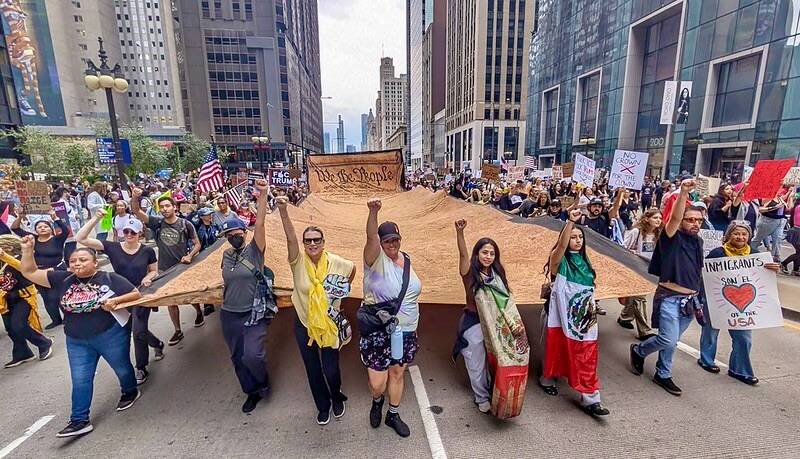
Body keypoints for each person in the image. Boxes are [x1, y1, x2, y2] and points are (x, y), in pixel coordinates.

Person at [19, 239, 142, 438]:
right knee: (80, 379)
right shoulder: (62, 279)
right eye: (73, 261)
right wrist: (27, 251)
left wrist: (115, 301)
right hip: (76, 340)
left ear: (95, 262)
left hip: (109, 334)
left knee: (122, 367)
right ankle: (79, 420)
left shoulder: (110, 278)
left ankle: (130, 391)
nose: (77, 263)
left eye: (83, 260)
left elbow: (135, 294)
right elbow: (29, 272)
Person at [277, 195, 356, 425]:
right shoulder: (297, 262)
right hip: (304, 323)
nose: (312, 244)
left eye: (316, 240)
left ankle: (336, 395)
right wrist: (283, 211)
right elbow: (290, 238)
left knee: (330, 368)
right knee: (313, 368)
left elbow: (351, 271)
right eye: (308, 241)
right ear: (303, 244)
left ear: (323, 242)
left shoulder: (336, 262)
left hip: (329, 323)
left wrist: (342, 289)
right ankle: (323, 406)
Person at [630, 179, 703, 396]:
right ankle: (639, 350)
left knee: (672, 342)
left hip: (690, 302)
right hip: (670, 298)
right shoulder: (671, 237)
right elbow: (675, 218)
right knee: (667, 339)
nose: (695, 224)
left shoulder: (698, 242)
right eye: (690, 220)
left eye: (698, 220)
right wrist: (683, 193)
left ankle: (663, 373)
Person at [76, 209, 164, 386]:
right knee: (134, 329)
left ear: (140, 233)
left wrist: (148, 277)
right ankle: (157, 343)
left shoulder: (147, 251)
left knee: (138, 330)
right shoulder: (112, 247)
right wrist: (96, 218)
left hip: (140, 294)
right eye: (126, 231)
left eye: (133, 232)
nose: (129, 234)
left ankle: (141, 367)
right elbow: (81, 238)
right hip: (121, 296)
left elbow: (154, 270)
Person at [360, 198, 422, 438]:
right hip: (378, 330)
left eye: (395, 239)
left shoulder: (407, 259)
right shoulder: (374, 260)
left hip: (405, 330)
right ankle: (377, 401)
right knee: (378, 383)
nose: (391, 244)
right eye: (387, 240)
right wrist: (373, 212)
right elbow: (370, 238)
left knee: (397, 373)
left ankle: (392, 414)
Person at [453, 219, 528, 413]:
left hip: (497, 325)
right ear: (477, 254)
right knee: (477, 364)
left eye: (492, 253)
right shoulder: (469, 273)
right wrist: (460, 233)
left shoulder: (498, 275)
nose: (488, 256)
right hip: (474, 325)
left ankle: (499, 392)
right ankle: (481, 397)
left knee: (499, 360)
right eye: (484, 252)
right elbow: (462, 253)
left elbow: (506, 303)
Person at [540, 208, 609, 416]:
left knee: (585, 354)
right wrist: (570, 222)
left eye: (580, 237)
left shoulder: (586, 263)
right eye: (573, 237)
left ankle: (591, 398)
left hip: (583, 320)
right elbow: (561, 246)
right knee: (553, 350)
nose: (577, 241)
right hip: (556, 317)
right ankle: (547, 378)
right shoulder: (558, 261)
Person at [697, 221, 779, 385]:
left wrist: (771, 269)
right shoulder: (717, 253)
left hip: (743, 304)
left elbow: (762, 280)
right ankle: (706, 360)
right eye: (736, 233)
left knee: (744, 338)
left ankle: (739, 370)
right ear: (728, 235)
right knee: (711, 332)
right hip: (716, 300)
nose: (740, 237)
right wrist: (700, 299)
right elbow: (704, 276)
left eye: (744, 234)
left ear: (749, 236)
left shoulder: (755, 255)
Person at [219, 179, 271, 413]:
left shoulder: (255, 250)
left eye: (236, 231)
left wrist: (263, 195)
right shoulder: (226, 255)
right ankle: (251, 391)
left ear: (244, 231)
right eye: (228, 234)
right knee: (238, 357)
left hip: (253, 313)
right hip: (229, 315)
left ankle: (262, 382)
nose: (233, 236)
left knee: (253, 355)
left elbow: (260, 223)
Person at [131, 187, 203, 346]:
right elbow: (136, 211)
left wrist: (190, 256)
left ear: (174, 207)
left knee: (189, 295)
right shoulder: (157, 223)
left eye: (167, 206)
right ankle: (178, 330)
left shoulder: (186, 224)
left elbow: (197, 244)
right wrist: (135, 197)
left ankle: (199, 312)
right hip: (165, 269)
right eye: (161, 207)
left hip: (183, 267)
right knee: (171, 300)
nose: (164, 209)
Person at [0, 235, 53, 368]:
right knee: (11, 329)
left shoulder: (20, 258)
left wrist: (5, 256)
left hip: (23, 297)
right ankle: (22, 353)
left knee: (19, 324)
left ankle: (44, 343)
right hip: (5, 299)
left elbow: (24, 268)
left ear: (8, 248)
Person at [11, 210, 69, 329]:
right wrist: (20, 216)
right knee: (47, 297)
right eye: (39, 227)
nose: (42, 228)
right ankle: (55, 320)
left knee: (60, 295)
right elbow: (15, 229)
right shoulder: (34, 240)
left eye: (45, 226)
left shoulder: (57, 239)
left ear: (50, 228)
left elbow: (66, 231)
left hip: (57, 271)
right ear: (35, 230)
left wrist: (55, 218)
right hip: (39, 274)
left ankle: (68, 318)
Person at [617, 209, 661, 340]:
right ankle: (645, 330)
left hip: (650, 269)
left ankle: (624, 317)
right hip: (635, 268)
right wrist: (632, 253)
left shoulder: (659, 234)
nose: (659, 220)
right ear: (647, 219)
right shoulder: (636, 232)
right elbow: (623, 248)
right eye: (655, 218)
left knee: (636, 296)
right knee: (639, 298)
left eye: (660, 218)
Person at [751, 188, 792, 262]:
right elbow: (761, 209)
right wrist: (774, 207)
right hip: (767, 220)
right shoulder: (768, 197)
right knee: (758, 238)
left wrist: (790, 193)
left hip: (779, 221)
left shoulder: (779, 197)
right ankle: (750, 253)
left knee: (777, 239)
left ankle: (775, 257)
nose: (781, 189)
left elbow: (787, 205)